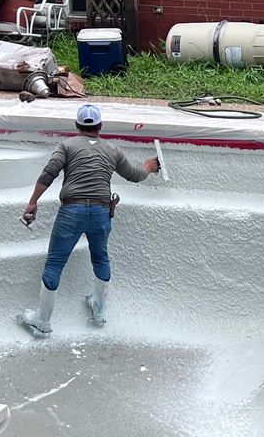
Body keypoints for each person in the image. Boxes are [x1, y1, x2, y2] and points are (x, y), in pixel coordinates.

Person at [18, 104, 160, 337]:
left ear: (77, 126)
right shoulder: (112, 150)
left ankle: (42, 322)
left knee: (55, 264)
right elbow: (134, 175)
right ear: (100, 126)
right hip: (100, 213)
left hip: (71, 211)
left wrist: (33, 201)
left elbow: (48, 173)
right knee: (101, 258)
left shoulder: (67, 146)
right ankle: (99, 311)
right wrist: (148, 166)